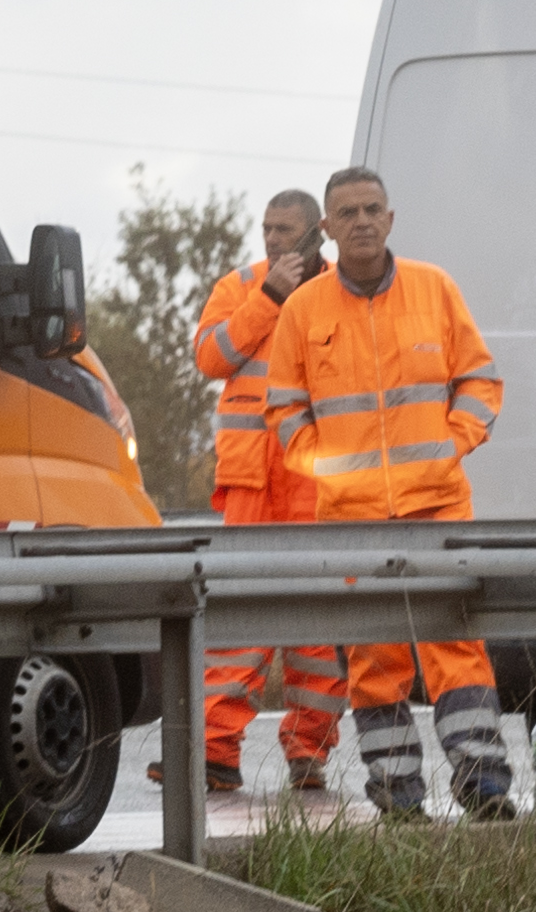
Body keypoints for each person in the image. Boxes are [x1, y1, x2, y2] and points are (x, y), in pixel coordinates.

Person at [236, 165, 516, 819]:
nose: (362, 221)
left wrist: (454, 442)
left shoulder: (434, 290)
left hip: (438, 505)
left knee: (457, 648)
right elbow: (283, 409)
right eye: (348, 213)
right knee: (374, 659)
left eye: (373, 209)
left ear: (391, 219)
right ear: (327, 231)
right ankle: (397, 797)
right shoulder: (303, 309)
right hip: (351, 518)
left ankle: (484, 785)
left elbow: (480, 379)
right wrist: (324, 470)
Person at [181, 187, 347, 803]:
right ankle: (214, 753)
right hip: (252, 481)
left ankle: (310, 754)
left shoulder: (340, 293)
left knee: (320, 626)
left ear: (315, 235)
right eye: (267, 229)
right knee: (236, 624)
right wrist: (269, 295)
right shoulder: (240, 286)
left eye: (286, 230)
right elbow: (211, 357)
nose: (274, 240)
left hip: (316, 481)